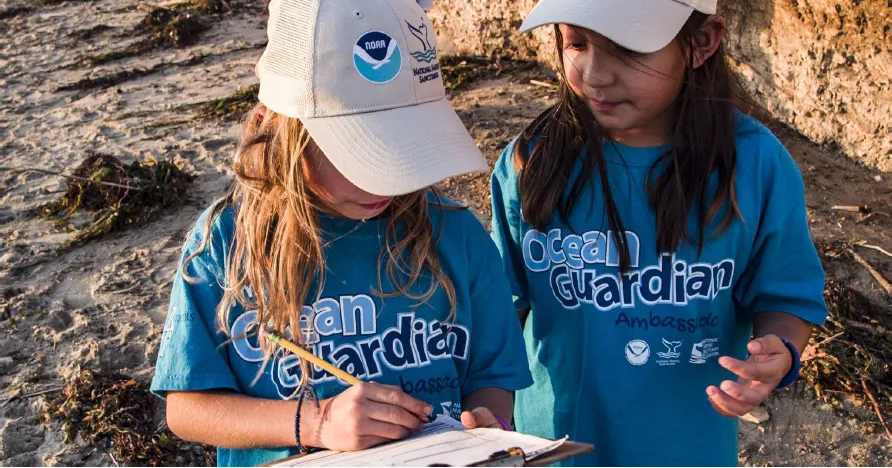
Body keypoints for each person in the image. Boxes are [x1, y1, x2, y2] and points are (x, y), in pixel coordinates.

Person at [150, 0, 532, 465]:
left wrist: (486, 424)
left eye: (406, 146)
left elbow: (491, 377)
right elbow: (187, 409)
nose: (388, 179)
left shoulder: (457, 234)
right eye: (366, 151)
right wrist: (316, 422)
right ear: (284, 131)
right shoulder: (227, 242)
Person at [489, 0, 828, 465]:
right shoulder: (531, 161)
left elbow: (787, 295)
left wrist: (779, 351)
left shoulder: (754, 166)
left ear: (702, 41)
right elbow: (498, 312)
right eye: (577, 42)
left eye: (627, 49)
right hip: (553, 447)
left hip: (685, 450)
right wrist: (490, 421)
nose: (595, 73)